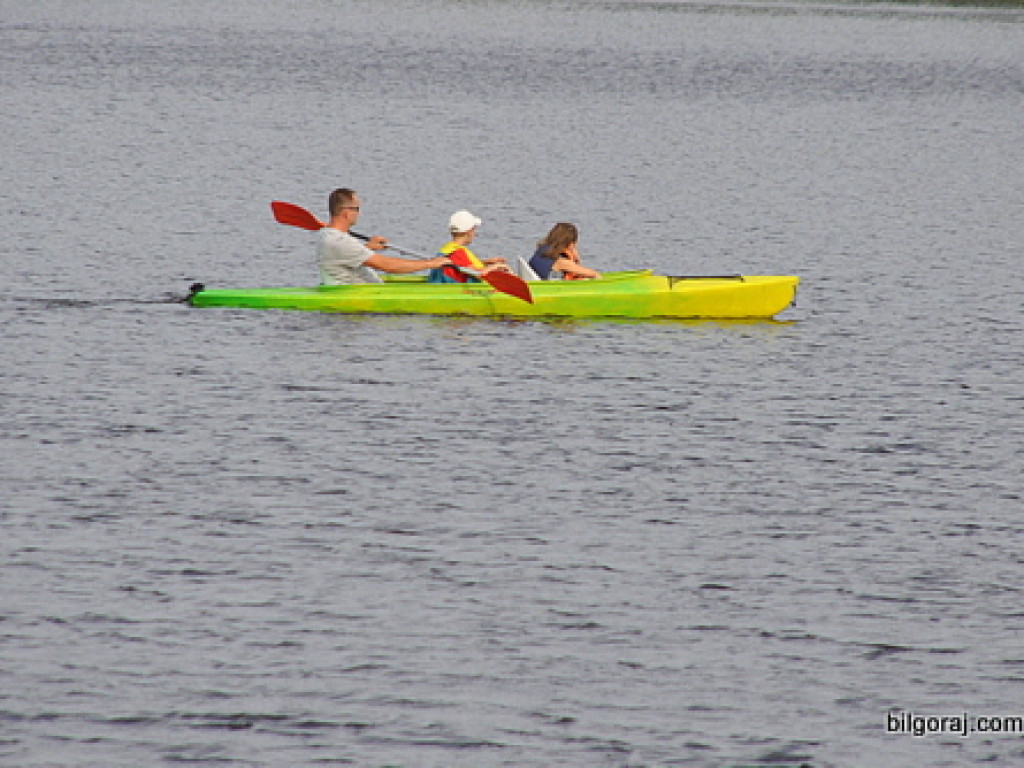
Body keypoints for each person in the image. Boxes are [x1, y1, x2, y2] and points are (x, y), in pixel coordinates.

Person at [317, 188, 452, 285]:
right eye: (357, 209)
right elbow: (388, 266)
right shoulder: (339, 241)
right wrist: (431, 264)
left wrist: (368, 248)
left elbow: (344, 255)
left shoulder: (327, 234)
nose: (359, 213)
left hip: (365, 290)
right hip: (357, 296)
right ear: (346, 213)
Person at [428, 210, 508, 283]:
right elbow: (479, 273)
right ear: (469, 232)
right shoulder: (457, 252)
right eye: (474, 229)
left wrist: (486, 262)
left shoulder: (448, 248)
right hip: (457, 292)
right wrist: (497, 266)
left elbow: (461, 265)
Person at [528, 222, 600, 280]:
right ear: (570, 243)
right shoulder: (561, 262)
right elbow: (594, 274)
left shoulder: (542, 251)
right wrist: (575, 253)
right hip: (551, 291)